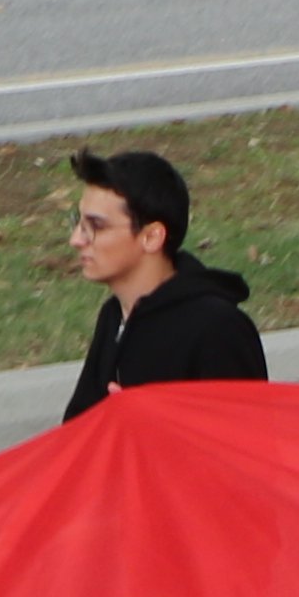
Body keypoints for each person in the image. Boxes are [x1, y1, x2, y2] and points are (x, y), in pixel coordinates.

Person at [59, 146, 265, 418]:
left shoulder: (218, 329)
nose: (77, 239)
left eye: (96, 226)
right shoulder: (113, 316)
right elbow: (79, 430)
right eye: (79, 222)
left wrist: (146, 421)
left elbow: (242, 446)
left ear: (152, 237)